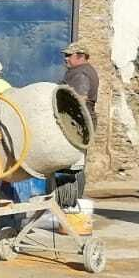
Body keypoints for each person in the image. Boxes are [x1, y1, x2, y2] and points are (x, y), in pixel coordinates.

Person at [60, 41, 101, 199]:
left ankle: (70, 198)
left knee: (73, 162)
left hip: (78, 120)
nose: (66, 59)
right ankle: (70, 197)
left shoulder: (81, 73)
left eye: (69, 55)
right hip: (81, 118)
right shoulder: (78, 71)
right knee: (75, 160)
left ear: (81, 56)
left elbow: (80, 99)